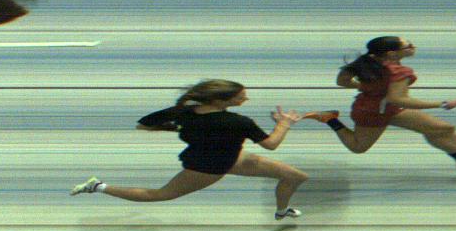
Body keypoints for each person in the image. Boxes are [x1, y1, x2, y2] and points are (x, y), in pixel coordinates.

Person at [70, 79, 327, 220]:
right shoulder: (238, 122)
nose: (245, 98)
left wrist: (179, 128)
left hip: (231, 157)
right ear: (221, 100)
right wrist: (284, 123)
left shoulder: (184, 111)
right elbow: (271, 144)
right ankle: (98, 186)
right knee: (160, 195)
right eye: (241, 97)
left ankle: (281, 211)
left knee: (296, 176)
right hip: (206, 168)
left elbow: (144, 125)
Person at [307, 36, 456, 170]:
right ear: (392, 54)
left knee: (443, 128)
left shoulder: (366, 62)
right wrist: (442, 104)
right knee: (358, 147)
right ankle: (330, 119)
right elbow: (399, 99)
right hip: (373, 113)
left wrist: (367, 88)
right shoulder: (399, 72)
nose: (412, 47)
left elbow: (342, 81)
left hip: (386, 108)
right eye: (408, 46)